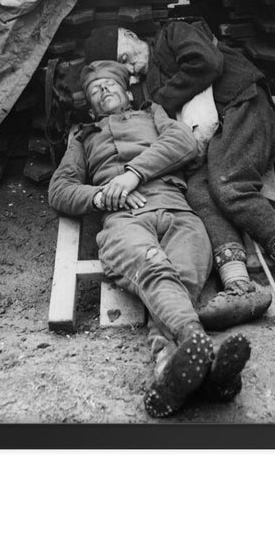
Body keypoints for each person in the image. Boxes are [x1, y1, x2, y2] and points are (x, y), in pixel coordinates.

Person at [83, 20, 275, 334]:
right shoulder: (148, 82)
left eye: (125, 60)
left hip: (243, 108)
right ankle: (239, 285)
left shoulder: (172, 35)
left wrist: (159, 102)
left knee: (229, 182)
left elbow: (207, 62)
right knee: (199, 193)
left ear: (131, 36)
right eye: (126, 74)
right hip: (211, 141)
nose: (132, 72)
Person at [48, 60, 252, 418]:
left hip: (177, 211)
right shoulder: (82, 137)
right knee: (156, 270)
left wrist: (132, 174)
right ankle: (197, 346)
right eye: (96, 91)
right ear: (90, 106)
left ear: (128, 93)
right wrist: (100, 195)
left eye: (111, 85)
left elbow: (183, 142)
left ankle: (170, 369)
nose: (104, 91)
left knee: (182, 278)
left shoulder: (152, 113)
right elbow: (60, 189)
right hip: (124, 220)